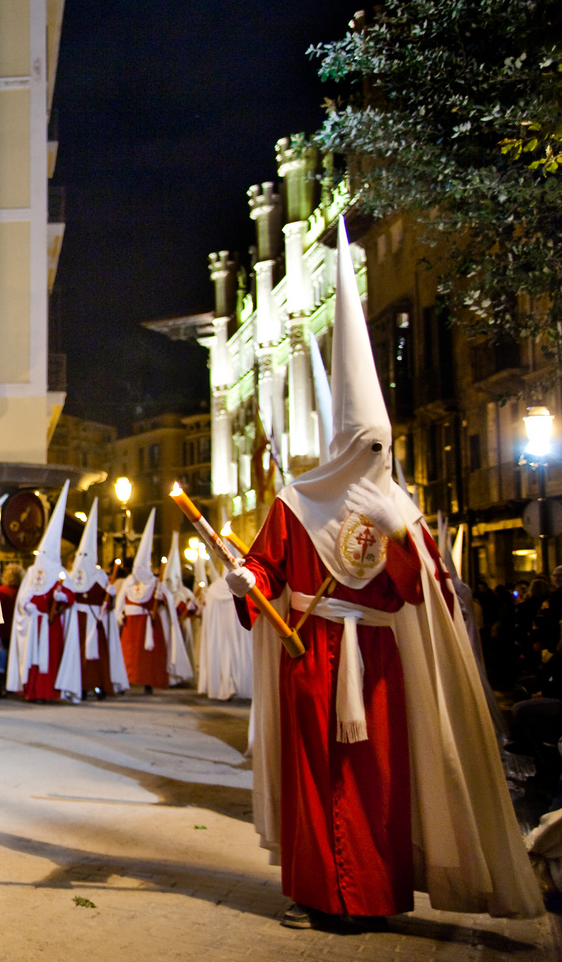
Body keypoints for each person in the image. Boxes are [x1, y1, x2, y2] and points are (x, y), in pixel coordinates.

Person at [226, 222, 539, 930]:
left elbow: (419, 589)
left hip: (382, 666)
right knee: (316, 781)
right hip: (308, 654)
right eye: (363, 445)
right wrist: (246, 580)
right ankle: (317, 891)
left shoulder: (400, 507)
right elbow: (263, 563)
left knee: (380, 784)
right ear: (341, 443)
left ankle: (371, 894)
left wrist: (402, 539)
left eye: (381, 446)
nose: (373, 457)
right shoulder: (296, 502)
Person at [53, 499, 127, 701]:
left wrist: (110, 595)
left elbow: (109, 606)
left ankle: (100, 685)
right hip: (77, 621)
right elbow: (67, 598)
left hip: (96, 621)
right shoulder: (71, 574)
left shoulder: (101, 577)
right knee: (79, 655)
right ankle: (81, 686)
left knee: (97, 656)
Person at [7, 484, 71, 702]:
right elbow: (23, 597)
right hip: (34, 623)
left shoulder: (60, 572)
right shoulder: (34, 570)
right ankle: (32, 691)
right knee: (33, 658)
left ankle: (49, 692)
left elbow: (70, 596)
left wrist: (64, 598)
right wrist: (27, 605)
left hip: (52, 624)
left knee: (50, 658)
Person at [116, 512, 167, 693]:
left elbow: (165, 601)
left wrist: (161, 598)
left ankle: (148, 682)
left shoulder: (155, 582)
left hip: (147, 623)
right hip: (131, 622)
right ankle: (124, 680)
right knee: (128, 653)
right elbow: (121, 600)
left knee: (147, 656)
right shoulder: (129, 581)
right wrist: (119, 616)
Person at [196, 553, 253, 701]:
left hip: (219, 636)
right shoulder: (245, 585)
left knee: (222, 654)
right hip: (239, 632)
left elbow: (207, 616)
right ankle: (240, 685)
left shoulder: (214, 589)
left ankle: (221, 683)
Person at [156, 531, 197, 688]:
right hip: (165, 628)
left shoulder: (182, 594)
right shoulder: (162, 591)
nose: (169, 582)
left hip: (179, 628)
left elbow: (186, 613)